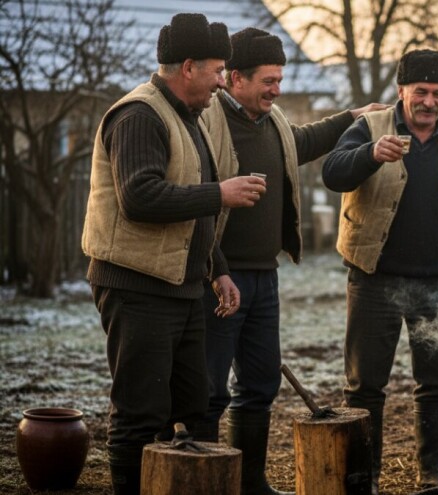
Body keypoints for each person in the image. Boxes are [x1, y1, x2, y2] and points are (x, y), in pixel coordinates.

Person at [81, 13, 266, 495]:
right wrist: (220, 194)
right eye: (217, 71)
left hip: (181, 287)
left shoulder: (188, 117)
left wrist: (218, 270)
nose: (223, 82)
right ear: (188, 66)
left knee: (190, 404)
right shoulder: (139, 114)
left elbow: (191, 199)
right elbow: (139, 197)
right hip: (137, 286)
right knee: (141, 414)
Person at [197, 27, 388, 495]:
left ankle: (249, 482)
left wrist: (353, 117)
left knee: (260, 386)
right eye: (268, 80)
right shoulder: (207, 121)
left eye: (280, 79)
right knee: (209, 393)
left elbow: (302, 141)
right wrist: (217, 267)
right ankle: (200, 481)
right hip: (219, 276)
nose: (276, 90)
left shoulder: (273, 120)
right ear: (235, 78)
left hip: (265, 274)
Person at [323, 49, 438, 493]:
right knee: (365, 390)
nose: (429, 101)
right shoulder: (368, 128)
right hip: (374, 279)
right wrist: (369, 154)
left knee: (437, 385)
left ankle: (433, 475)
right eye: (420, 91)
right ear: (401, 91)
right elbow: (332, 173)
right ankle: (364, 479)